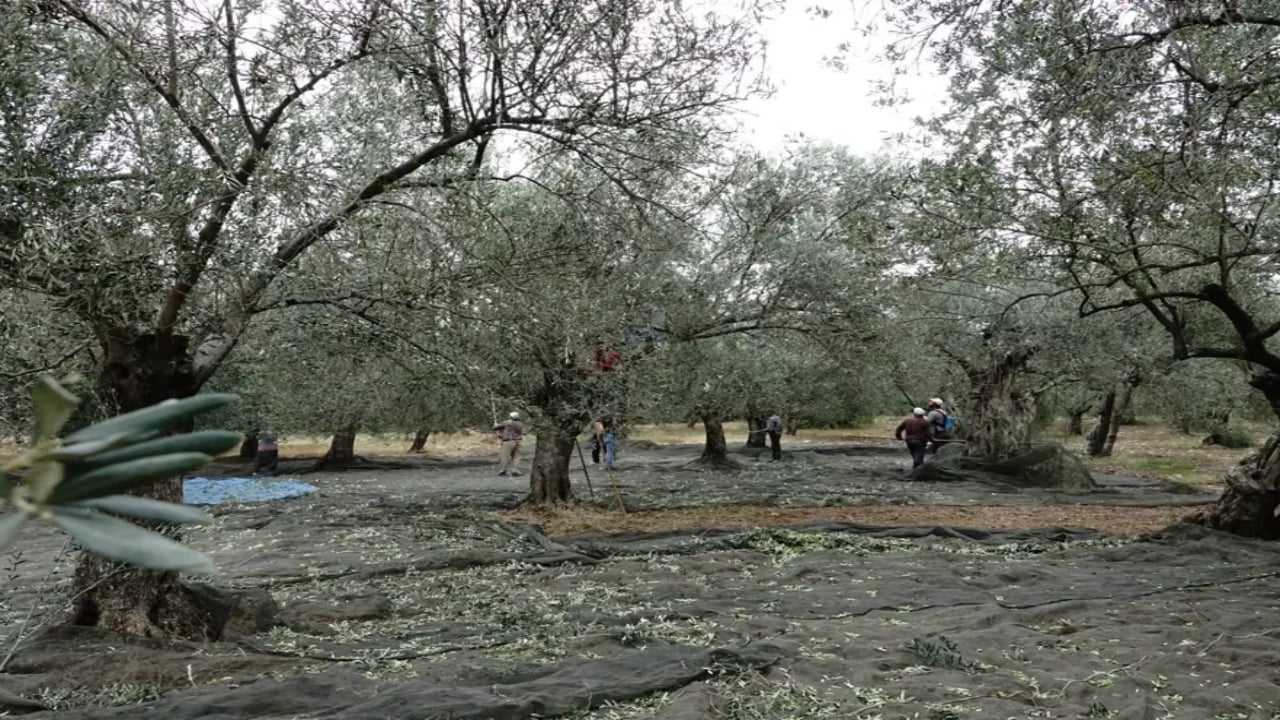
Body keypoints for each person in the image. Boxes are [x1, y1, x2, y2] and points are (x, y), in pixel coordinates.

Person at [493, 411, 524, 476]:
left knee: (504, 456)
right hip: (518, 441)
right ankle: (514, 470)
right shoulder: (520, 424)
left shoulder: (506, 422)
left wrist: (495, 425)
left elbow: (495, 428)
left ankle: (503, 470)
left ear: (510, 417)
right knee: (516, 457)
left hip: (508, 441)